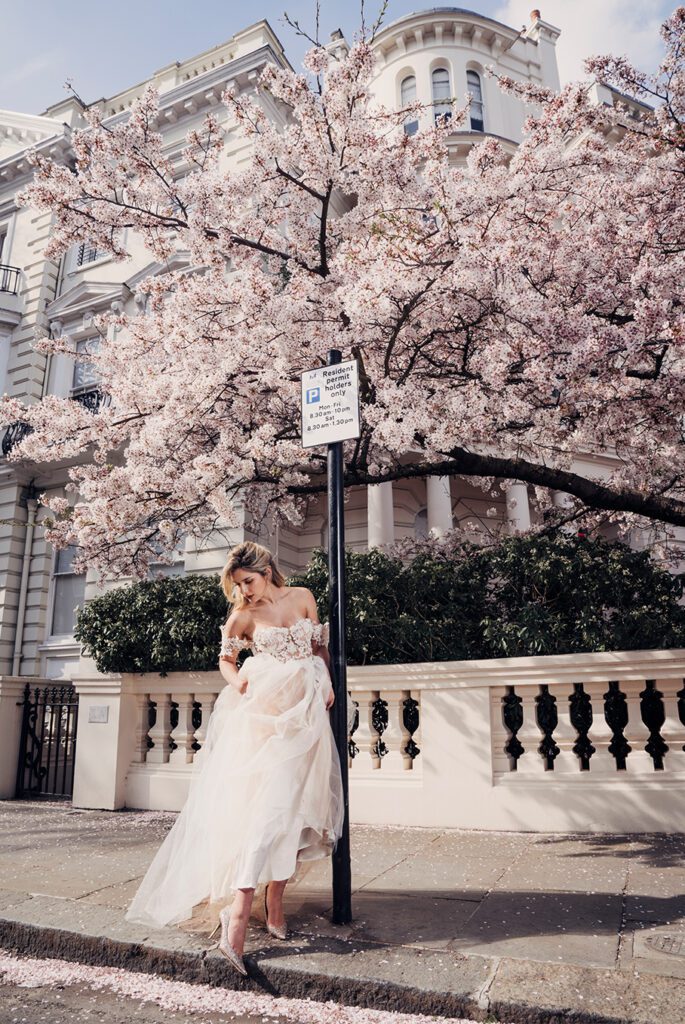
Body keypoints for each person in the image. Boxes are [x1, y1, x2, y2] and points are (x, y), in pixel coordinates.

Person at [124, 541, 345, 976]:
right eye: (237, 585)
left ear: (266, 571)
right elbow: (226, 661)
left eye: (248, 581)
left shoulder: (302, 598)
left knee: (298, 812)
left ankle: (275, 901)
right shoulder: (242, 616)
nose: (243, 591)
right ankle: (239, 914)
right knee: (269, 811)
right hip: (267, 717)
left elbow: (319, 650)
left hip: (309, 715)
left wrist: (329, 684)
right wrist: (240, 684)